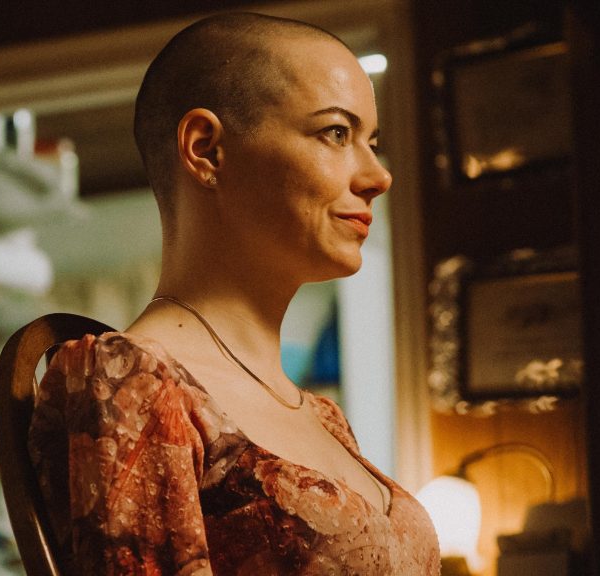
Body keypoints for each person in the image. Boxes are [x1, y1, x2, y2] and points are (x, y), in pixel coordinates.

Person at [28, 12, 441, 575]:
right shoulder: (133, 380)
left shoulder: (324, 417)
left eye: (372, 142)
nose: (378, 176)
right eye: (336, 134)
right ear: (206, 149)